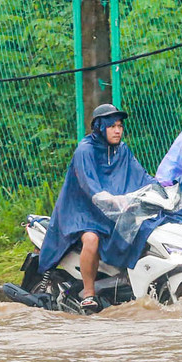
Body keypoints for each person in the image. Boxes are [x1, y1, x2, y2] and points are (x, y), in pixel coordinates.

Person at [39, 103, 160, 314]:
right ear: (99, 128)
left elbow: (140, 176)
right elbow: (89, 184)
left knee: (144, 226)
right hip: (81, 211)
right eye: (112, 126)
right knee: (91, 239)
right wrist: (108, 198)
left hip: (110, 211)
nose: (117, 130)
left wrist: (160, 188)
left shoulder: (122, 150)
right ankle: (88, 294)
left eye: (120, 126)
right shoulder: (85, 150)